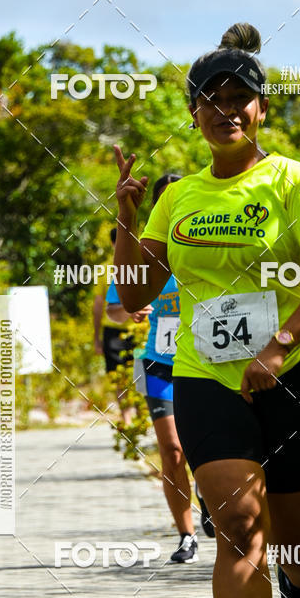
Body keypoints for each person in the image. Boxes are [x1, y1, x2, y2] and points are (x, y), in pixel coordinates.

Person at [113, 23, 300, 598]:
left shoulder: (290, 181)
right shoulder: (178, 196)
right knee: (239, 528)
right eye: (211, 100)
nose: (226, 110)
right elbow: (131, 294)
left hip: (291, 373)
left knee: (291, 526)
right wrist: (126, 220)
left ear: (260, 110)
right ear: (194, 115)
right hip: (206, 380)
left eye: (239, 98)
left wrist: (280, 345)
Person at [107, 173, 200, 564]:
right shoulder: (145, 254)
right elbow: (115, 308)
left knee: (202, 449)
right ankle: (186, 535)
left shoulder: (204, 245)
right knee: (173, 450)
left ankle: (212, 501)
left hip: (203, 363)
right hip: (158, 364)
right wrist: (131, 310)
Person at [93, 227, 136, 425]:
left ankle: (134, 414)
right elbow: (99, 305)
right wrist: (96, 337)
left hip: (137, 329)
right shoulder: (105, 270)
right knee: (120, 376)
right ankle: (128, 416)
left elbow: (98, 305)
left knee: (130, 374)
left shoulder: (138, 265)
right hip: (115, 330)